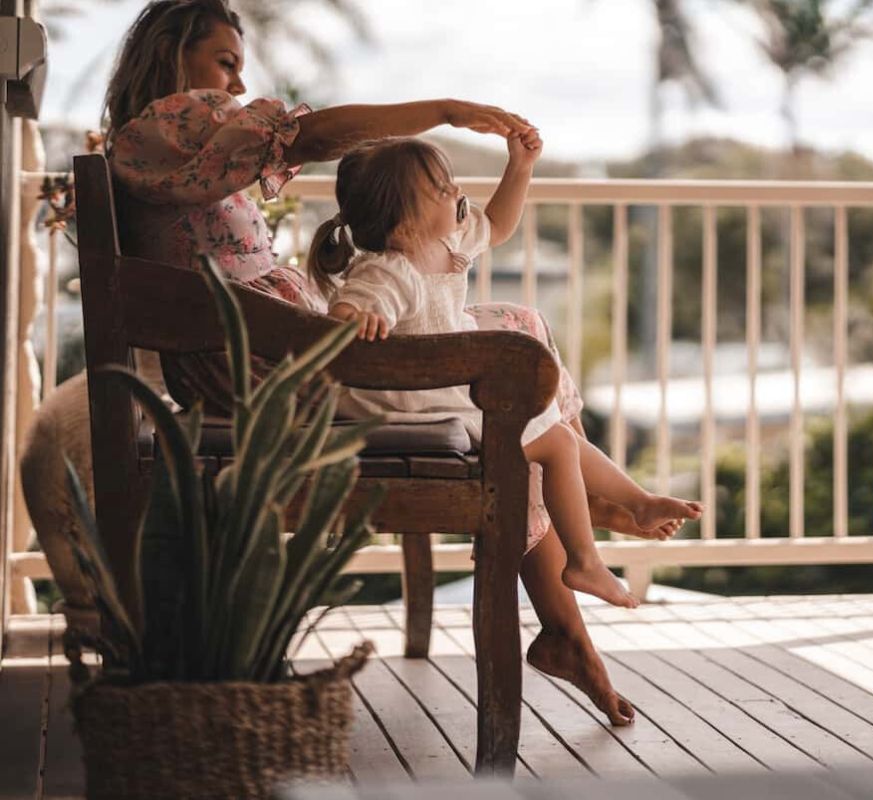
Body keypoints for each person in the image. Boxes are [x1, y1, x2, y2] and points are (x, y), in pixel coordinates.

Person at [24, 0, 689, 725]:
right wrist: (438, 111)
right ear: (170, 51)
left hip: (278, 350)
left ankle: (580, 512)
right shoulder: (162, 132)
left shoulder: (175, 144)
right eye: (225, 61)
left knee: (516, 333)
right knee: (508, 370)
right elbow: (309, 136)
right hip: (269, 368)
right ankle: (575, 537)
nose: (239, 86)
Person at [303, 136, 703, 608]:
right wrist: (358, 320)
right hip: (411, 403)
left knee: (561, 439)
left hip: (443, 391)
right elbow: (345, 312)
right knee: (557, 442)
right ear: (403, 220)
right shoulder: (388, 271)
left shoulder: (443, 242)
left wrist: (521, 166)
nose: (456, 193)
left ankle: (634, 502)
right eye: (440, 189)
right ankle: (584, 559)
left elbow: (497, 224)